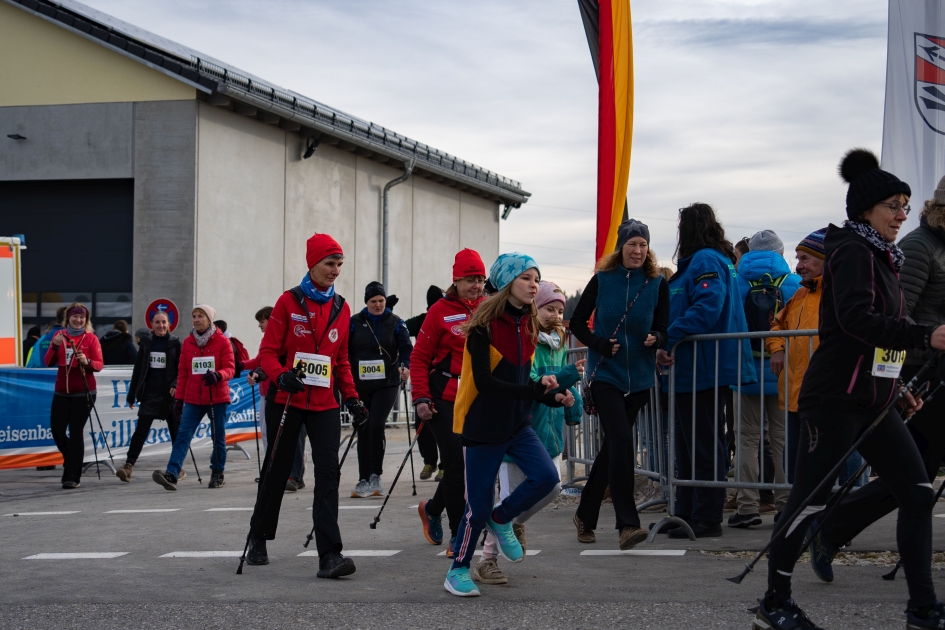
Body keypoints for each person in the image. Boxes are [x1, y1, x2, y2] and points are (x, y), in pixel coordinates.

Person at [753, 149, 945, 629]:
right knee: (808, 500)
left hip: (874, 400)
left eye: (906, 204)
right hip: (835, 400)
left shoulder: (884, 255)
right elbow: (858, 321)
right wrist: (925, 336)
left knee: (919, 492)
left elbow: (879, 332)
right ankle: (774, 602)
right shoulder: (854, 252)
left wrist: (896, 384)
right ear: (866, 209)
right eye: (894, 206)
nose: (903, 214)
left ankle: (922, 609)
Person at [806, 174, 945, 591]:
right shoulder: (921, 246)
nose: (899, 214)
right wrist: (898, 378)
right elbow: (890, 314)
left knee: (914, 477)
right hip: (921, 376)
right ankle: (829, 527)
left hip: (933, 373)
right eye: (894, 206)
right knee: (912, 476)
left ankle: (832, 526)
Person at [244, 233, 367, 579]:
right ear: (312, 264)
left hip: (325, 405)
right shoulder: (289, 302)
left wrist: (353, 397)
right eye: (330, 263)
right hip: (287, 400)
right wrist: (281, 376)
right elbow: (268, 352)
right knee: (277, 471)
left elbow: (341, 359)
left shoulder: (342, 308)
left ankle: (330, 555)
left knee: (328, 474)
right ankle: (259, 537)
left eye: (339, 264)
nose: (336, 270)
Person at [443, 253, 563, 597]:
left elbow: (529, 377)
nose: (534, 284)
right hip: (482, 427)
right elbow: (485, 382)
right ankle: (458, 570)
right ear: (508, 282)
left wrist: (552, 396)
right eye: (527, 278)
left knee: (548, 477)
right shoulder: (483, 327)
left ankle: (503, 517)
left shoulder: (528, 323)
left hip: (516, 425)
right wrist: (533, 392)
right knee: (476, 508)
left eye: (536, 278)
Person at [655, 203, 756, 539]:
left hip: (705, 367)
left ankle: (707, 516)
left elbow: (707, 307)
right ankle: (685, 511)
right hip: (692, 369)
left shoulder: (706, 260)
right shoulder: (699, 263)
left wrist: (671, 336)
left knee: (703, 444)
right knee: (687, 444)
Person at [473, 280, 583, 585]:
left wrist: (572, 402)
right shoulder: (527, 339)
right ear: (535, 308)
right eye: (550, 308)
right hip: (519, 430)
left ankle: (511, 520)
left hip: (550, 433)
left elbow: (560, 386)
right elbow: (534, 380)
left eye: (561, 310)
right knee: (509, 495)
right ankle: (486, 561)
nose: (557, 316)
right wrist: (566, 378)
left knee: (552, 488)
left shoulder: (559, 342)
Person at [569, 220, 669, 548]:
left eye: (643, 245)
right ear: (621, 248)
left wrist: (658, 336)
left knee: (614, 447)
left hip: (639, 379)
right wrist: (598, 344)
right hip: (605, 375)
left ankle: (585, 514)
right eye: (632, 245)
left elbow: (663, 324)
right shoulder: (602, 280)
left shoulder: (656, 283)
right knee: (623, 440)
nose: (638, 251)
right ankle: (628, 524)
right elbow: (578, 324)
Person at [412, 249, 487, 556]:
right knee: (456, 463)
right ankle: (459, 535)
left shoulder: (490, 307)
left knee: (471, 466)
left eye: (480, 279)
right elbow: (419, 358)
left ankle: (432, 508)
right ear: (456, 280)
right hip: (443, 398)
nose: (476, 285)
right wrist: (420, 397)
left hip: (479, 397)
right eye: (470, 279)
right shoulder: (439, 310)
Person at [727, 230, 800, 529]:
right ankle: (785, 505)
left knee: (746, 439)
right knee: (782, 439)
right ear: (781, 253)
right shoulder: (795, 284)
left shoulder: (736, 282)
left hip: (745, 372)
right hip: (784, 371)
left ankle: (747, 508)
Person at [767, 229, 826, 488]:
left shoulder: (839, 294)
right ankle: (800, 522)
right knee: (796, 470)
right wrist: (777, 349)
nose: (798, 266)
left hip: (825, 398)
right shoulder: (800, 295)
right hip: (795, 397)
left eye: (805, 259)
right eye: (797, 258)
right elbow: (777, 325)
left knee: (831, 468)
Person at [152, 305, 234, 491]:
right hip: (192, 399)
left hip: (217, 398)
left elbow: (230, 368)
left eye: (200, 317)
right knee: (182, 436)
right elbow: (183, 373)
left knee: (218, 437)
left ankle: (217, 472)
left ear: (210, 319)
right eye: (194, 316)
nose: (196, 320)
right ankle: (172, 473)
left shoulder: (222, 342)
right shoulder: (189, 342)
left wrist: (218, 375)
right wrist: (179, 399)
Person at [348, 281, 413, 498]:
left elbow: (407, 349)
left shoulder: (395, 322)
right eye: (373, 301)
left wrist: (405, 366)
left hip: (387, 384)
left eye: (381, 301)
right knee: (363, 427)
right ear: (366, 302)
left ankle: (376, 475)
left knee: (376, 425)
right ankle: (363, 478)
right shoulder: (355, 322)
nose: (378, 305)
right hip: (361, 385)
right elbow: (345, 351)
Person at [44, 303, 103, 489]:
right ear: (67, 318)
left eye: (82, 318)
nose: (78, 320)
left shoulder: (91, 338)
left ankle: (72, 476)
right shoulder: (59, 336)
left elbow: (100, 364)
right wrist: (54, 347)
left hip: (84, 392)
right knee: (57, 430)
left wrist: (87, 362)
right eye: (75, 317)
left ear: (86, 320)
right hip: (62, 392)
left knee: (76, 432)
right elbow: (48, 362)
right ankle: (73, 461)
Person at [118, 311, 182, 482]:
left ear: (169, 324)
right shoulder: (146, 343)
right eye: (157, 322)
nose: (160, 326)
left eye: (163, 322)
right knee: (140, 433)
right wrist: (132, 395)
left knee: (176, 433)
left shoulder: (175, 343)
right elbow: (138, 370)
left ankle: (177, 467)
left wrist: (176, 385)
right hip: (149, 396)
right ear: (151, 325)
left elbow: (181, 369)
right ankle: (128, 466)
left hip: (169, 398)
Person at [404, 285, 444, 480]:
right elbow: (400, 327)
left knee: (446, 422)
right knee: (422, 421)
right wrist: (388, 313)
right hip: (424, 379)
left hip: (445, 380)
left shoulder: (450, 316)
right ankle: (430, 461)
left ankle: (445, 464)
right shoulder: (422, 320)